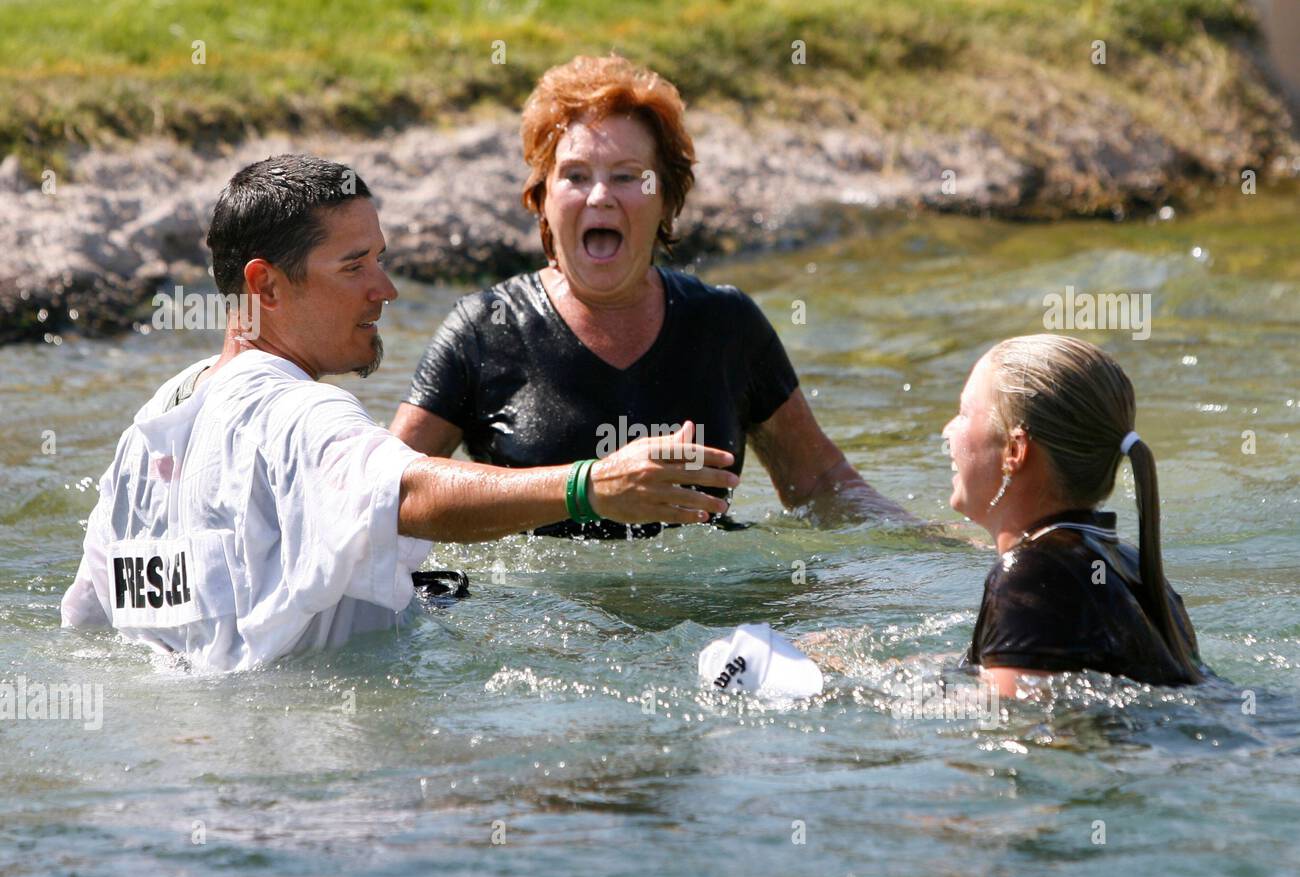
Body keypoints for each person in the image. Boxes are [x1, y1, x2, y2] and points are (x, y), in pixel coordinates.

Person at [60, 155, 737, 671]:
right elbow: (407, 488)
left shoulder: (151, 427)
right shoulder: (298, 413)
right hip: (325, 792)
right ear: (264, 285)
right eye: (354, 266)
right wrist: (590, 488)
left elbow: (89, 627)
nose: (385, 290)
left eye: (379, 260)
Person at [391, 54, 908, 538]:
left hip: (710, 619)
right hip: (543, 624)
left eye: (626, 176)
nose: (600, 196)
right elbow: (391, 493)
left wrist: (939, 549)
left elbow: (822, 486)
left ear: (667, 200)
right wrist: (585, 489)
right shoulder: (485, 329)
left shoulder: (726, 324)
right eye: (575, 176)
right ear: (542, 202)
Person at [943, 334, 1203, 695]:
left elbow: (1019, 724)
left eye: (964, 413)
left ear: (1014, 450)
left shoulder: (1033, 576)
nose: (948, 431)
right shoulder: (1123, 560)